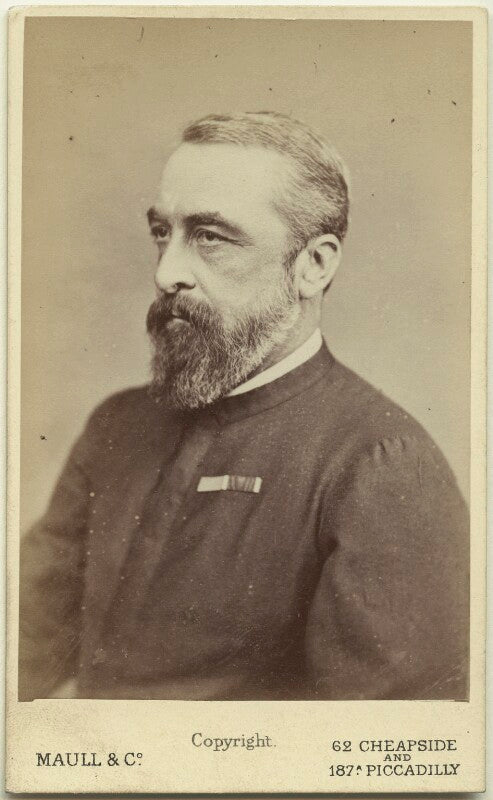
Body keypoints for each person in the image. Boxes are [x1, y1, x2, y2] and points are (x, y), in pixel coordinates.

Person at [19, 111, 469, 702]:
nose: (167, 272)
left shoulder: (380, 463)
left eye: (210, 237)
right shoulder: (118, 424)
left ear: (313, 265)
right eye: (162, 232)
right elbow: (23, 643)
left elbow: (376, 746)